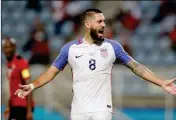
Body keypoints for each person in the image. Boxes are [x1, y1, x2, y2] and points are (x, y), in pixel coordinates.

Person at [15, 9, 176, 120]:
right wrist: (32, 86)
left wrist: (161, 82)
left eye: (104, 21)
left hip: (102, 110)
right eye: (99, 21)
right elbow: (51, 72)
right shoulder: (70, 49)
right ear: (88, 24)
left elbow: (136, 67)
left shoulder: (113, 47)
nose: (103, 25)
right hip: (78, 110)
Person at [2, 37, 34, 120]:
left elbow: (29, 86)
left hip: (22, 106)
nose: (6, 50)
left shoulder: (21, 63)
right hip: (13, 106)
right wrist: (8, 107)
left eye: (9, 47)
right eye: (4, 48)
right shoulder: (9, 64)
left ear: (14, 47)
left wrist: (29, 111)